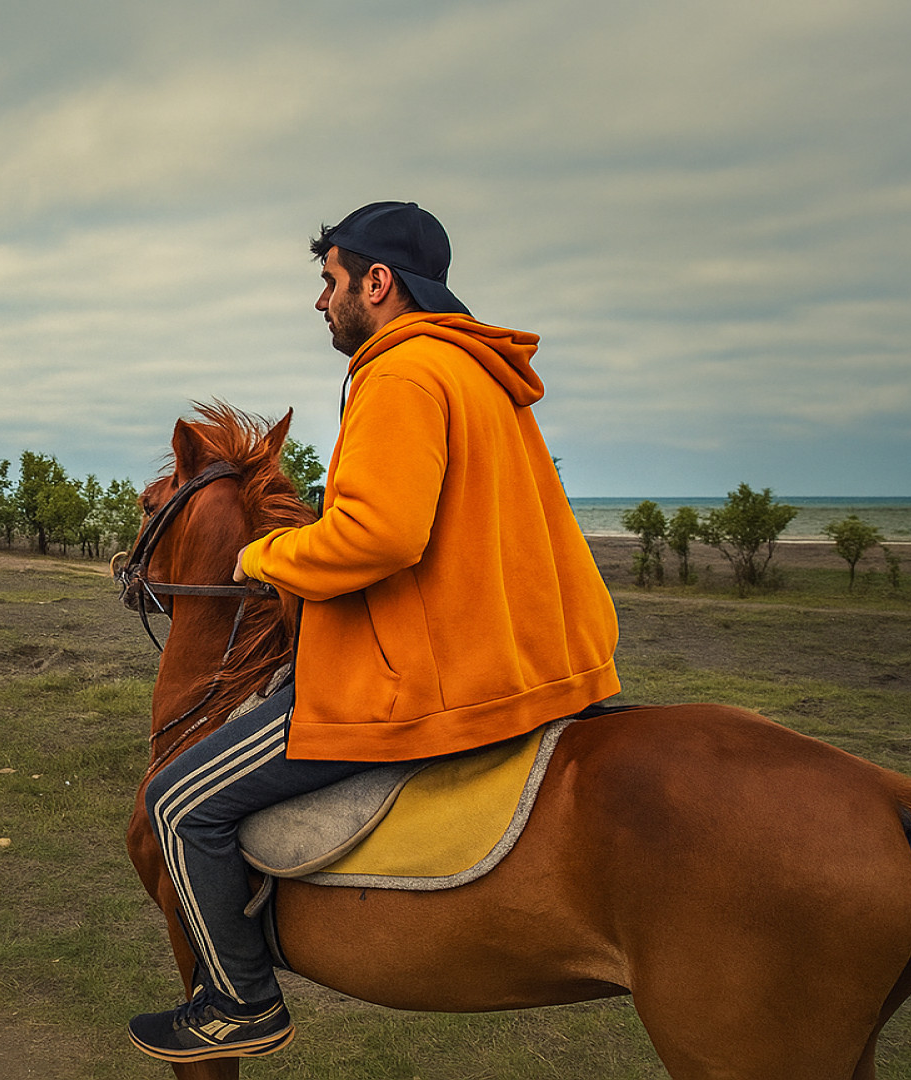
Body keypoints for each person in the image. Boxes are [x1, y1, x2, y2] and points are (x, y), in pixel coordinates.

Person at [128, 201, 621, 1063]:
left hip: (425, 683)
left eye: (330, 282)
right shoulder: (480, 376)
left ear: (377, 282)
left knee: (179, 804)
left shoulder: (399, 372)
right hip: (527, 665)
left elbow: (382, 535)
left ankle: (242, 1001)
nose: (322, 302)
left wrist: (270, 555)